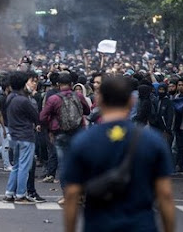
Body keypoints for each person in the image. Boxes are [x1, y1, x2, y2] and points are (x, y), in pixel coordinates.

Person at [63, 76, 175, 232]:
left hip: (98, 226)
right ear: (132, 101)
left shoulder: (83, 141)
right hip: (141, 226)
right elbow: (165, 194)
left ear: (100, 100)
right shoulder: (153, 141)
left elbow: (72, 193)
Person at [39, 72, 90, 205]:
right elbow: (87, 111)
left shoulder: (54, 99)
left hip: (60, 134)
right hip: (79, 132)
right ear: (72, 84)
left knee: (64, 164)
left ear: (57, 84)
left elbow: (43, 116)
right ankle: (81, 194)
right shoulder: (78, 96)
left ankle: (67, 195)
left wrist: (50, 127)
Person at [3, 71, 46, 204]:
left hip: (14, 135)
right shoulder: (23, 100)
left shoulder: (10, 97)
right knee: (24, 167)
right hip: (26, 136)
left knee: (16, 165)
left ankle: (9, 193)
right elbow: (36, 116)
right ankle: (21, 195)